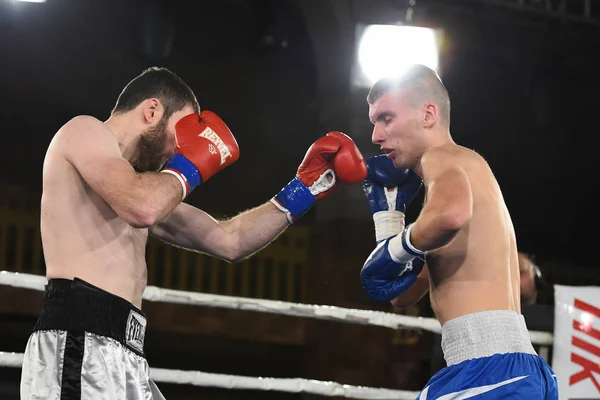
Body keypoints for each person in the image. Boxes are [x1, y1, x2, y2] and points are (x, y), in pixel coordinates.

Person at [21, 66, 368, 399]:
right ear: (152, 110)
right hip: (78, 341)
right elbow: (142, 206)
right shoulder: (84, 132)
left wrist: (303, 190)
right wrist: (190, 165)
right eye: (182, 131)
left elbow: (229, 240)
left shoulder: (140, 185)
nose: (181, 148)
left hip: (124, 351)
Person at [358, 64, 558, 399]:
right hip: (499, 370)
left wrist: (400, 243)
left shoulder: (443, 158)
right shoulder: (451, 190)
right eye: (374, 122)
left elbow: (450, 215)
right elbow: (399, 293)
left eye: (387, 118)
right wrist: (389, 220)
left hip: (490, 371)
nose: (376, 136)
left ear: (428, 114)